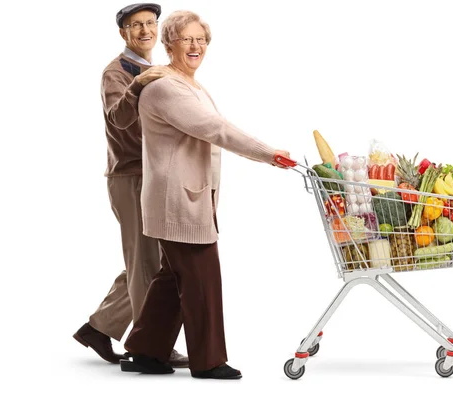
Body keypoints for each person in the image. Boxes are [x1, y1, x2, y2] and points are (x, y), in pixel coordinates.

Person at [119, 10, 291, 380]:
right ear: (169, 44)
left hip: (188, 195)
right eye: (187, 39)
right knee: (202, 279)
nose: (196, 46)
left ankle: (146, 351)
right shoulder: (166, 87)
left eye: (202, 39)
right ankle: (209, 361)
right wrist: (269, 153)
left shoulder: (188, 84)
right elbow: (215, 129)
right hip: (176, 198)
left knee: (173, 276)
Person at [73, 3, 188, 368]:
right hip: (131, 175)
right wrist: (137, 85)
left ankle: (99, 327)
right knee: (146, 264)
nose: (144, 31)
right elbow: (118, 118)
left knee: (149, 261)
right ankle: (150, 343)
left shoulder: (154, 69)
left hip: (156, 174)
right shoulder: (118, 71)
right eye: (135, 25)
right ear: (123, 33)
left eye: (150, 24)